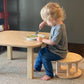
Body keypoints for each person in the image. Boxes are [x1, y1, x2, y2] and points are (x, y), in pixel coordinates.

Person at [34, 2, 68, 80]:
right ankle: (37, 67)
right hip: (53, 49)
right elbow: (51, 23)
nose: (47, 23)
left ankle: (49, 74)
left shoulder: (59, 28)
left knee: (45, 57)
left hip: (59, 52)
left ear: (52, 19)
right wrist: (44, 23)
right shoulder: (56, 22)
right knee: (41, 51)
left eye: (47, 21)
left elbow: (53, 42)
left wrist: (42, 39)